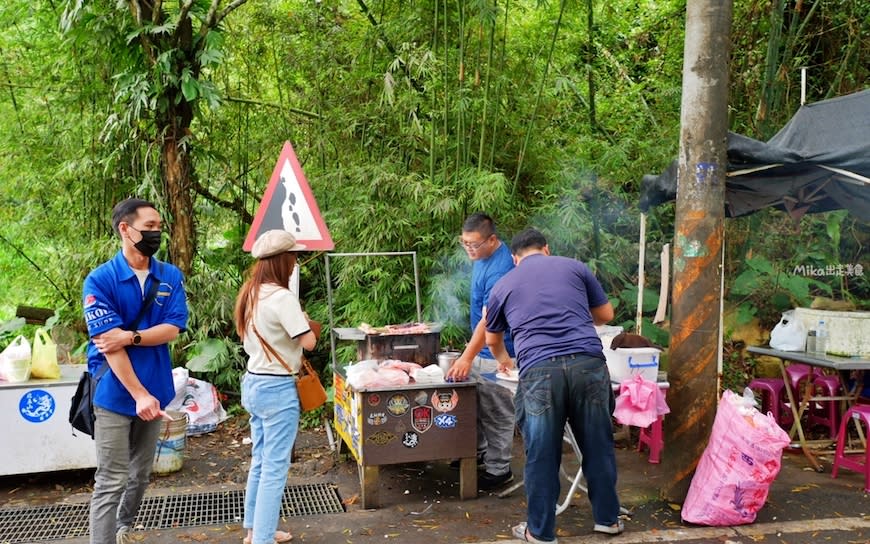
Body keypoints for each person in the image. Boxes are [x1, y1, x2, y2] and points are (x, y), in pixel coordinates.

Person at [484, 227, 623, 542]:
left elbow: (493, 339)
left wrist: (506, 359)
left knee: (542, 453)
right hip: (588, 365)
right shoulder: (575, 267)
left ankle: (541, 532)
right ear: (546, 249)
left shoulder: (503, 284)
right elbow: (605, 314)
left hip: (539, 372)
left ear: (515, 258)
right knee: (597, 445)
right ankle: (608, 520)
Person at [83, 198, 189, 544]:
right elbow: (107, 347)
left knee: (140, 475)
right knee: (111, 479)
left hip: (155, 389)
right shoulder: (100, 281)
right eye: (149, 227)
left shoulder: (169, 276)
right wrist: (137, 393)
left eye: (159, 227)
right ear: (125, 230)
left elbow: (173, 328)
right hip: (114, 392)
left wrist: (131, 336)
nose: (156, 233)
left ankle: (123, 528)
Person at [234, 229, 320, 544]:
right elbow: (308, 342)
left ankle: (255, 531)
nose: (296, 261)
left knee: (260, 459)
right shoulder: (282, 297)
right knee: (274, 467)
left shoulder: (249, 293)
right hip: (278, 388)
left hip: (253, 383)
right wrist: (306, 320)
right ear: (284, 261)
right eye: (294, 256)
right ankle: (263, 538)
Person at [445, 212, 517, 491]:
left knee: (498, 410)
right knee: (474, 403)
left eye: (474, 244)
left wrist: (467, 356)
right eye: (465, 243)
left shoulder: (501, 269)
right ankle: (476, 452)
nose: (469, 249)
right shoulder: (482, 258)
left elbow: (490, 320)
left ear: (492, 240)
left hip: (500, 350)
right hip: (482, 347)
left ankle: (500, 470)